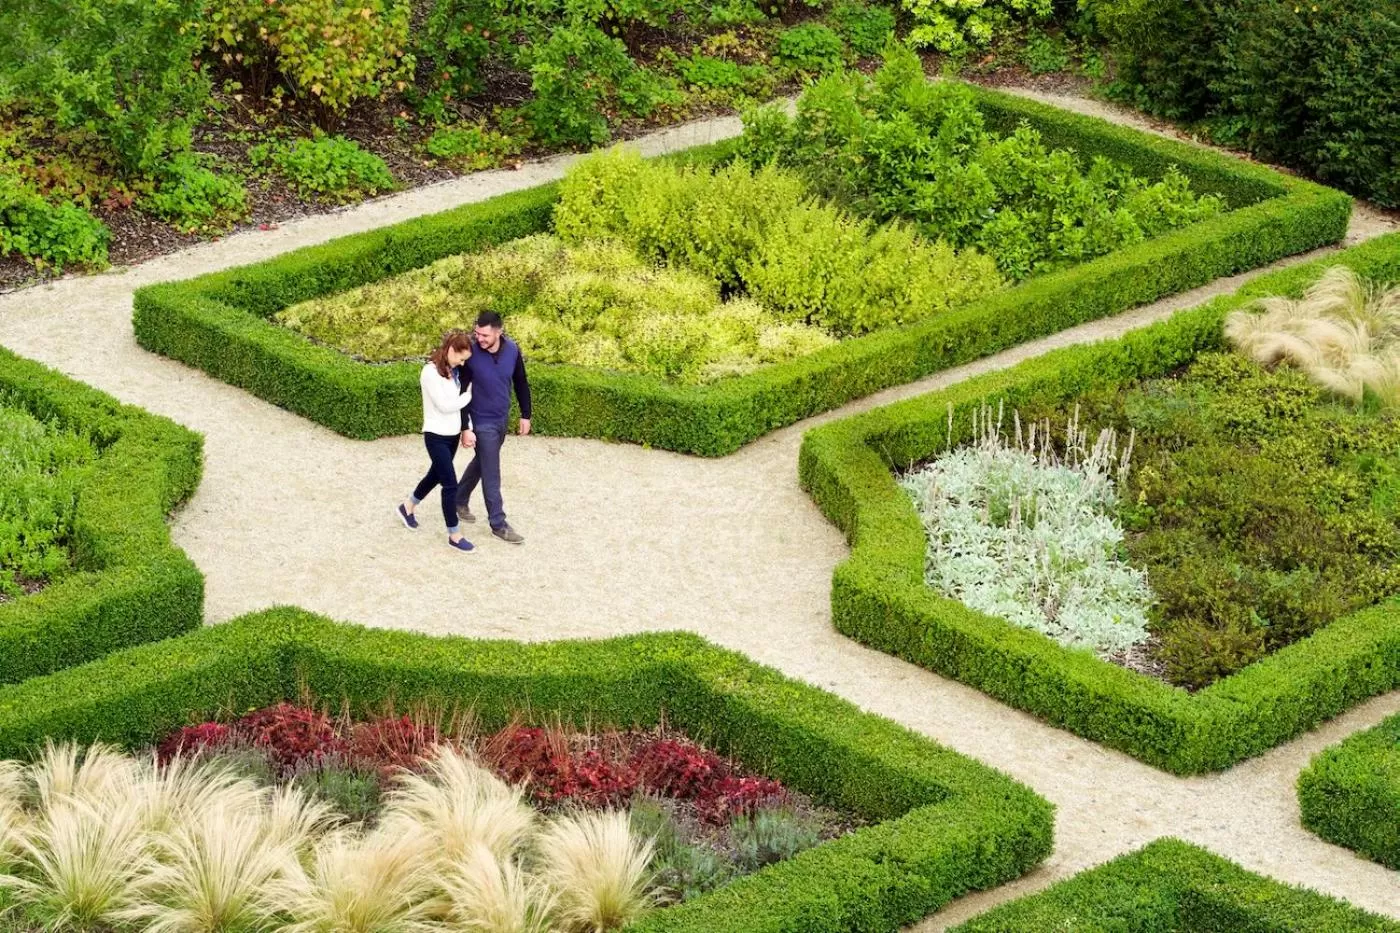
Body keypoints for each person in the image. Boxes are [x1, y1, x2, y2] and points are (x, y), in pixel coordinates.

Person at [398, 331, 477, 552]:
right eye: (461, 358)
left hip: (451, 436)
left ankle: (408, 506)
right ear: (451, 350)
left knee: (435, 475)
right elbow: (444, 405)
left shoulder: (454, 372)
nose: (462, 363)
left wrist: (466, 429)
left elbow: (460, 409)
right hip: (435, 436)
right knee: (450, 484)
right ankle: (454, 534)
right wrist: (468, 395)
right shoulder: (429, 372)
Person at [455, 310, 530, 544]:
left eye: (485, 335)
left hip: (501, 419)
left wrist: (525, 414)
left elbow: (520, 382)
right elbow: (461, 389)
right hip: (480, 421)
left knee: (482, 462)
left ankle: (458, 499)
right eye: (477, 333)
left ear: (499, 332)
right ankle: (498, 523)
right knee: (491, 471)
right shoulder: (471, 353)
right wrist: (464, 426)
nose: (480, 339)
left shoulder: (513, 351)